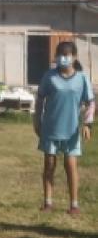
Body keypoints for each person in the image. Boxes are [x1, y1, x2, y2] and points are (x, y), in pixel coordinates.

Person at [35, 41, 94, 214]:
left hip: (71, 131)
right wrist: (37, 120)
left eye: (66, 55)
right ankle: (48, 202)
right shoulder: (49, 77)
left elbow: (90, 102)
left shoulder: (82, 78)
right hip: (50, 129)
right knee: (49, 165)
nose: (63, 58)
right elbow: (40, 99)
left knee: (71, 167)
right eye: (60, 54)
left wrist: (87, 124)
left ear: (74, 57)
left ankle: (74, 205)